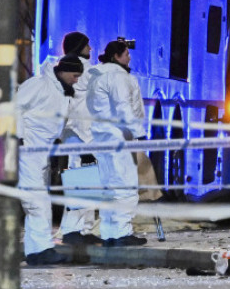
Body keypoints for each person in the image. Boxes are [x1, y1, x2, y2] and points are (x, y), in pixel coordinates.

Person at [15, 53, 84, 266]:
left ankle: (37, 250)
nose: (76, 80)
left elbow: (64, 122)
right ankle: (41, 249)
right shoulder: (38, 85)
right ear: (63, 72)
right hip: (28, 148)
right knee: (37, 201)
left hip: (40, 151)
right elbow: (13, 107)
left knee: (38, 199)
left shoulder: (62, 92)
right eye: (74, 75)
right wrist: (16, 138)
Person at [85, 39, 148, 247]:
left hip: (101, 136)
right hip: (121, 137)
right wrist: (138, 134)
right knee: (126, 185)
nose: (129, 57)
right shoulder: (118, 77)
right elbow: (124, 108)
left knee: (109, 187)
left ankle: (110, 232)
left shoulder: (97, 76)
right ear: (116, 56)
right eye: (126, 54)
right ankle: (121, 233)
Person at [56, 31, 103, 246]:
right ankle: (74, 230)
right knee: (81, 181)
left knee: (85, 181)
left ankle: (82, 229)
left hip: (80, 133)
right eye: (87, 45)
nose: (90, 49)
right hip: (80, 134)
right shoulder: (83, 71)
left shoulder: (75, 70)